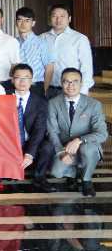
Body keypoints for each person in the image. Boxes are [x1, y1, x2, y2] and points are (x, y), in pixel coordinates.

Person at [47, 68, 108, 197]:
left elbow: (102, 134)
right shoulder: (53, 103)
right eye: (66, 82)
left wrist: (79, 140)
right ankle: (74, 173)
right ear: (61, 83)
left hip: (87, 145)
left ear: (81, 83)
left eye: (75, 81)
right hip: (66, 147)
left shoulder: (93, 104)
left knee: (88, 150)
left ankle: (86, 180)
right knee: (56, 172)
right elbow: (52, 131)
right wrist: (61, 152)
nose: (71, 85)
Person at [9, 63, 55, 193]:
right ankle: (10, 170)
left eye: (26, 78)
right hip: (10, 144)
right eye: (18, 77)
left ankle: (39, 177)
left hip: (30, 142)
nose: (22, 81)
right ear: (12, 80)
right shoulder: (4, 98)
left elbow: (39, 131)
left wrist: (29, 154)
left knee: (47, 146)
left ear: (32, 80)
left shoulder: (40, 102)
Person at [40, 4, 94, 97]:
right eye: (54, 16)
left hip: (71, 90)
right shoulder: (42, 38)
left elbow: (87, 67)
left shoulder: (80, 39)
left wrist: (82, 92)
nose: (58, 20)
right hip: (47, 89)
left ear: (69, 19)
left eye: (62, 16)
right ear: (50, 19)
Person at [12, 7, 54, 99]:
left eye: (27, 20)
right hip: (17, 86)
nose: (23, 24)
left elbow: (49, 68)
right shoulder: (13, 42)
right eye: (20, 20)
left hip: (36, 86)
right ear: (16, 23)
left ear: (33, 23)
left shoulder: (42, 43)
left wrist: (45, 90)